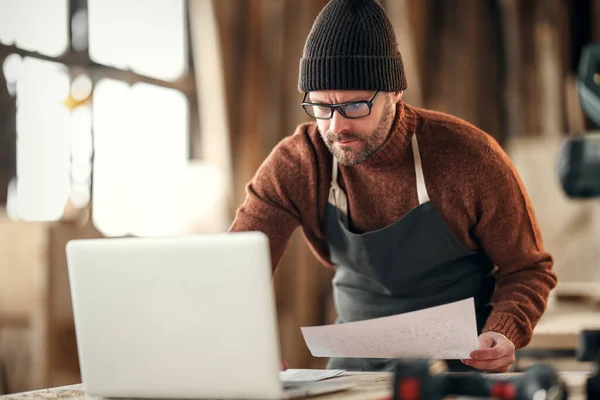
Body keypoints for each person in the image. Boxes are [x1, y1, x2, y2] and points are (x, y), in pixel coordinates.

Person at [228, 0, 557, 373]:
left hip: (463, 364)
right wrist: (244, 344)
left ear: (395, 93)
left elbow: (529, 270)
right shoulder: (299, 163)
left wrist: (504, 331)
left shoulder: (470, 158)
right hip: (352, 367)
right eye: (321, 107)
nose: (336, 127)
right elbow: (236, 268)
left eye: (355, 106)